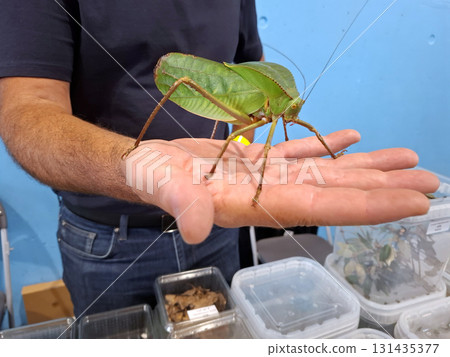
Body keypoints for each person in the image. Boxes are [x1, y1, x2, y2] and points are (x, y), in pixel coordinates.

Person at [0, 0, 438, 318]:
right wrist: (132, 164)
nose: (295, 116)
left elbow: (253, 67)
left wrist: (243, 156)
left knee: (221, 332)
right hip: (107, 241)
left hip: (219, 225)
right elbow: (26, 108)